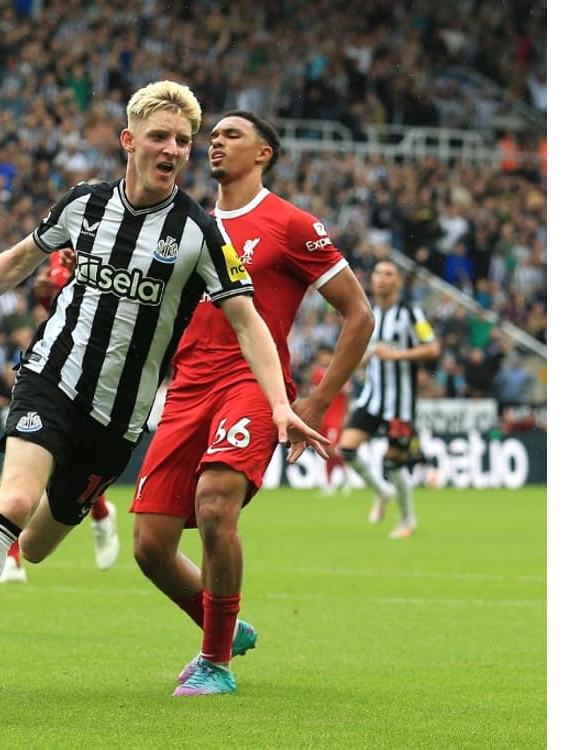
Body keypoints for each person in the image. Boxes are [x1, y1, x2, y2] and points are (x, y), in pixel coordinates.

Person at [0, 82, 332, 710]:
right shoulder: (85, 205)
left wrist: (281, 405)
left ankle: (214, 615)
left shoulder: (199, 232)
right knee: (12, 499)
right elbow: (17, 261)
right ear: (130, 141)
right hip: (51, 377)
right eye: (160, 137)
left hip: (117, 421)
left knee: (35, 546)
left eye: (182, 140)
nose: (173, 149)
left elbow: (248, 320)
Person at [130, 110, 375, 696]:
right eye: (211, 137)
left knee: (215, 508)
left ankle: (216, 662)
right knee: (150, 547)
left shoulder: (290, 224)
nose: (215, 143)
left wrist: (315, 401)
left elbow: (359, 314)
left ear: (264, 153)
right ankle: (222, 625)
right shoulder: (186, 221)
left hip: (251, 383)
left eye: (231, 135)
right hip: (187, 384)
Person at [0, 248, 120, 583]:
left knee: (72, 465)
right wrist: (44, 295)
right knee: (27, 464)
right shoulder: (66, 239)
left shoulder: (126, 241)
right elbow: (63, 310)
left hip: (103, 377)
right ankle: (10, 557)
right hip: (53, 368)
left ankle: (99, 509)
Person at [336, 259, 442, 539]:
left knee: (394, 461)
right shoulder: (367, 314)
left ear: (398, 282)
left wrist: (397, 355)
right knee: (346, 449)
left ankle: (407, 519)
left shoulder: (410, 313)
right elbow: (366, 352)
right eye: (378, 273)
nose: (382, 278)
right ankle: (382, 492)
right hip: (373, 400)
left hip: (401, 406)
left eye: (389, 274)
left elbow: (432, 348)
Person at [309, 345, 351, 494]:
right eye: (321, 356)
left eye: (326, 355)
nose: (323, 358)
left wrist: (346, 415)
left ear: (331, 356)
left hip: (336, 418)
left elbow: (347, 394)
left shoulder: (340, 372)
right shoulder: (316, 374)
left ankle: (347, 476)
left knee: (332, 449)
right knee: (326, 451)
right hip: (323, 419)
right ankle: (329, 483)